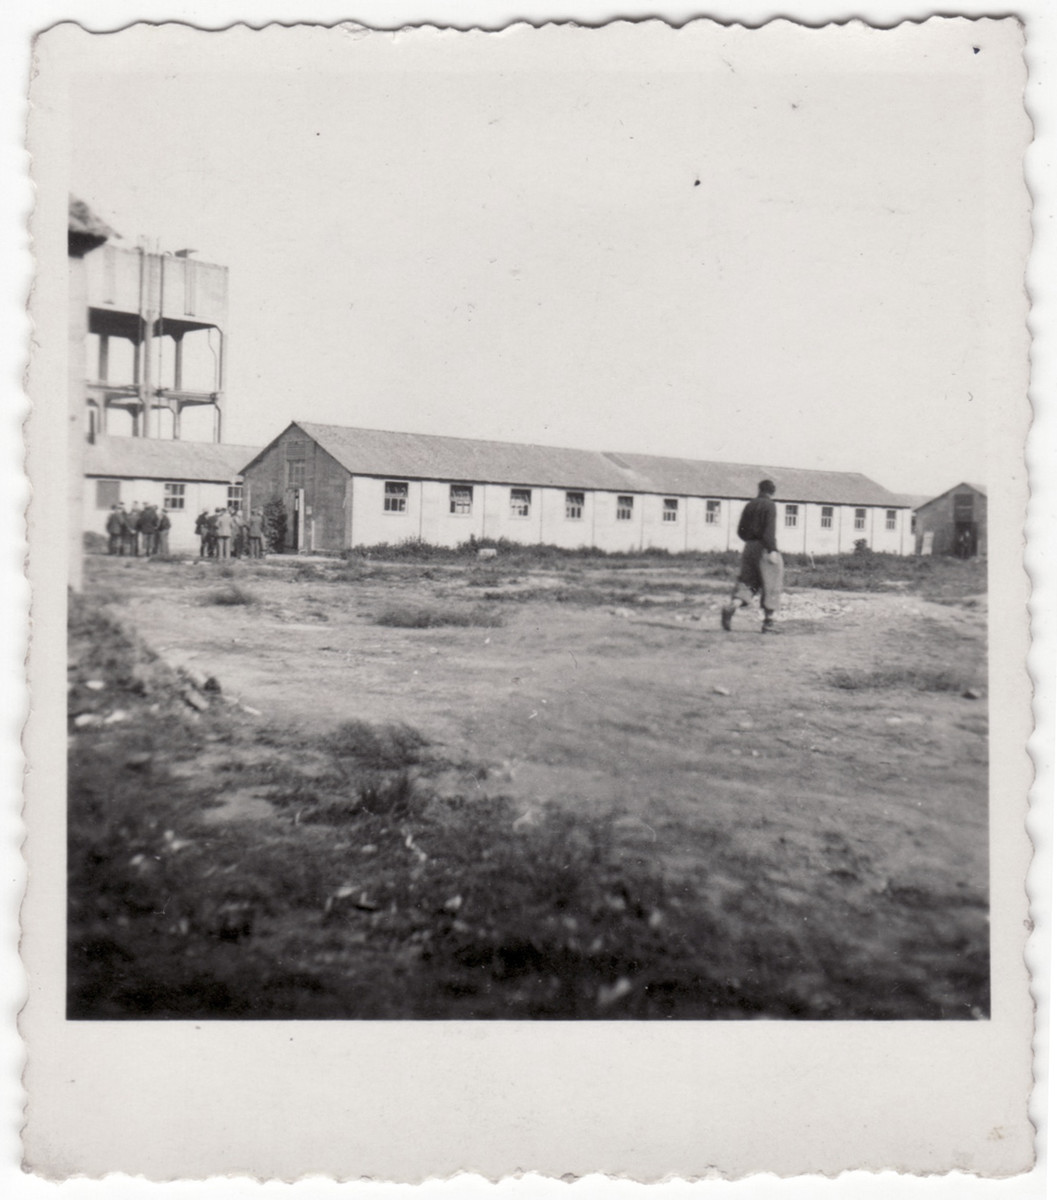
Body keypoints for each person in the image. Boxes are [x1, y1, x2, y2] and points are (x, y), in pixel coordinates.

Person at [721, 479, 784, 634]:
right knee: (772, 583)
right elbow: (769, 530)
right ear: (772, 491)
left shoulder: (749, 505)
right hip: (764, 547)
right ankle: (768, 624)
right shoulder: (770, 505)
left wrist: (751, 541)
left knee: (747, 582)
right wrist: (772, 550)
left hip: (749, 547)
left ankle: (733, 606)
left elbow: (740, 531)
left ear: (759, 490)